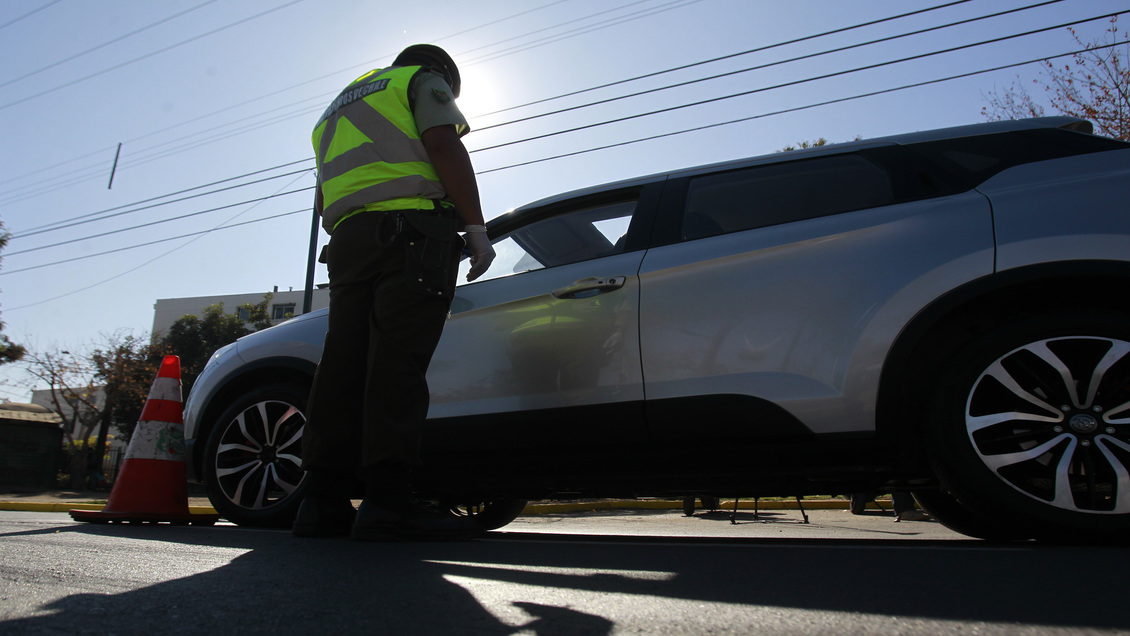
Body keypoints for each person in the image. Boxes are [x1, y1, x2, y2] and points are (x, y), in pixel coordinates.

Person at [292, 44, 496, 540]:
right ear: (440, 73)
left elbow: (323, 198)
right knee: (396, 363)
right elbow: (445, 146)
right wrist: (475, 228)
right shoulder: (420, 80)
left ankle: (321, 500)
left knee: (342, 364)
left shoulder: (337, 107)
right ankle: (387, 500)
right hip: (412, 238)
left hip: (349, 242)